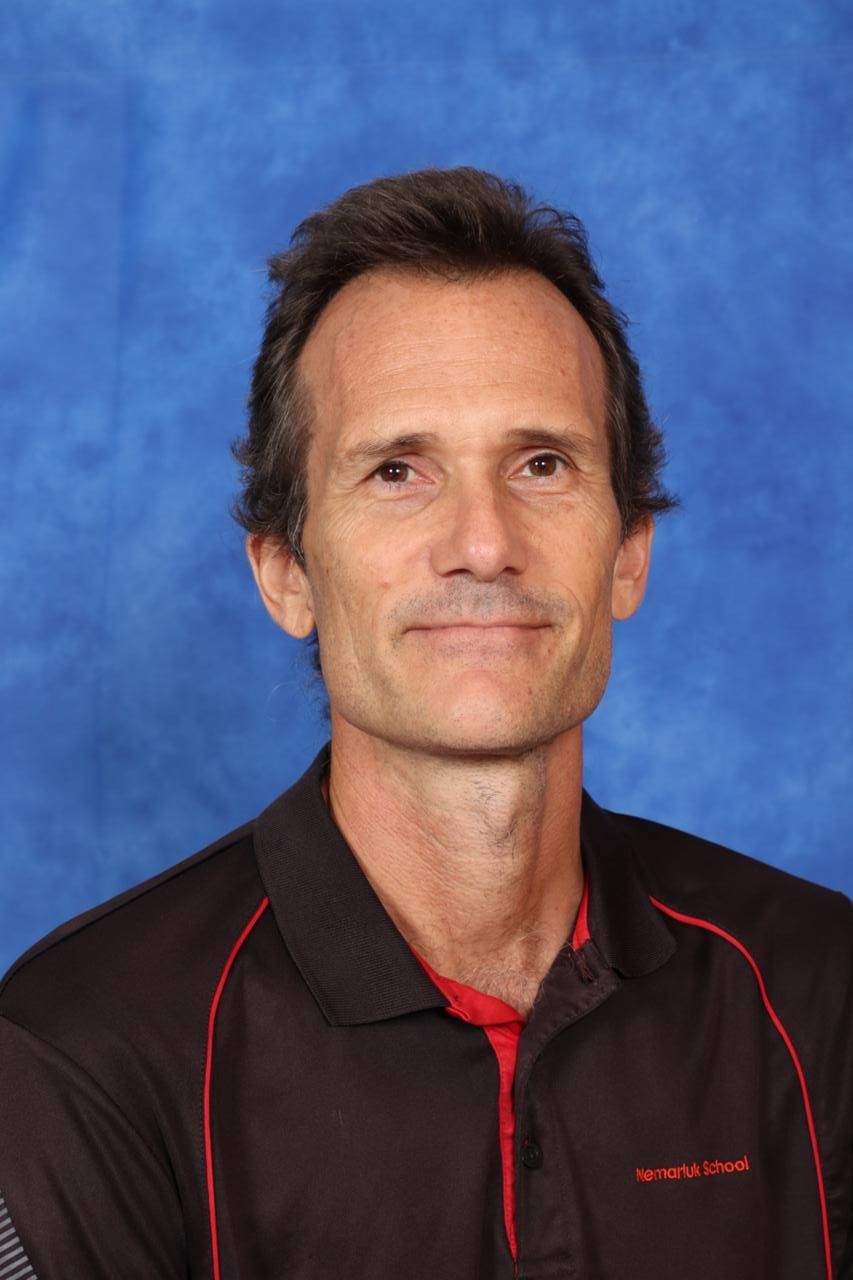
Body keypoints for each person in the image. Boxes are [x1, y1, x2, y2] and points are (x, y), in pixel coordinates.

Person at [0, 167, 850, 1280]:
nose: (484, 540)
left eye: (540, 463)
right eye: (398, 471)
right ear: (286, 570)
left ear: (628, 550)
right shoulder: (82, 1047)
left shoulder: (819, 990)